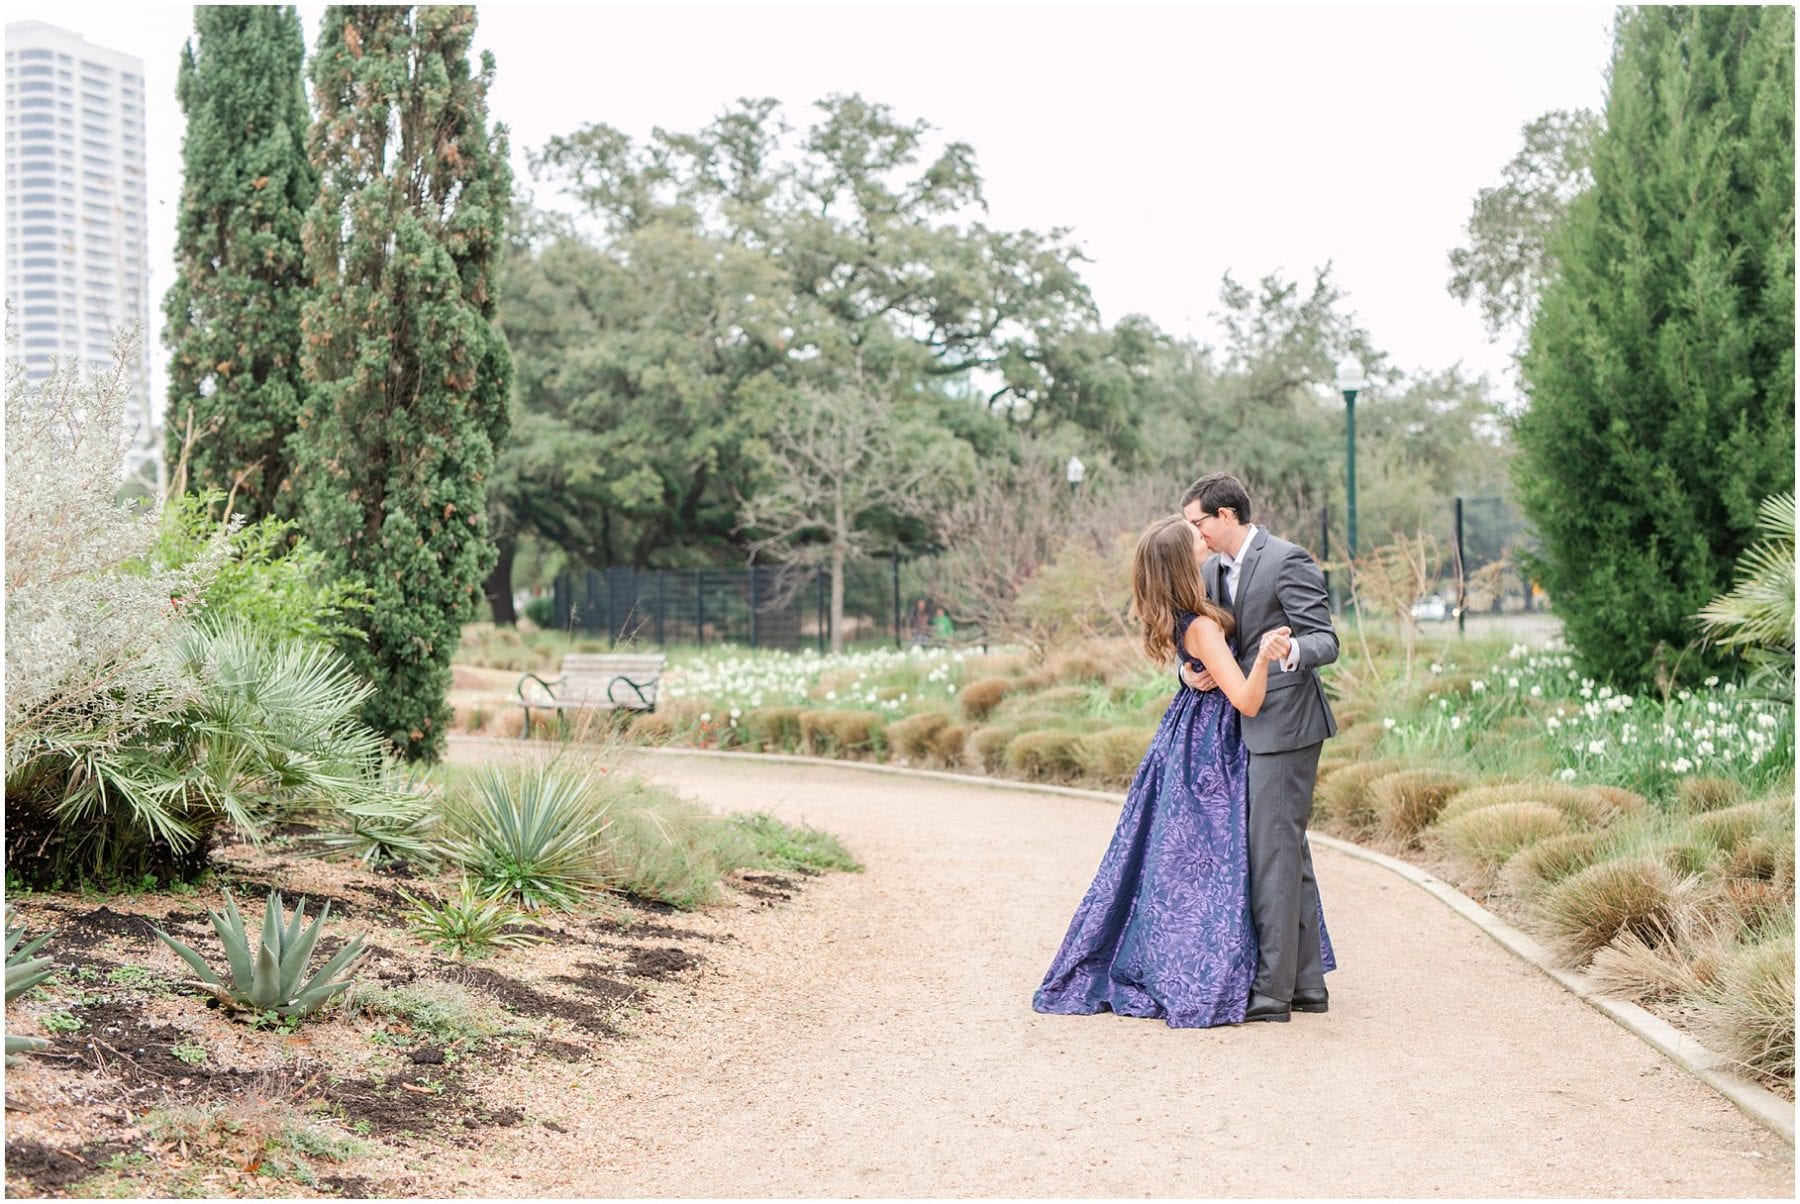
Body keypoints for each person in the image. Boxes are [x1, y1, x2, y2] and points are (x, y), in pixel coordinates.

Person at [1032, 514, 1324, 1028]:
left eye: (1199, 525)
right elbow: (1247, 698)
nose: (1201, 536)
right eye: (1193, 535)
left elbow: (1200, 645)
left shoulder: (1195, 605)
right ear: (1183, 561)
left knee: (1249, 852)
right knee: (1223, 860)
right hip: (1219, 742)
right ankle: (1234, 977)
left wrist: (1194, 668)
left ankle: (1301, 982)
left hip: (1199, 735)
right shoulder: (1204, 618)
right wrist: (1261, 660)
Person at [1180, 472, 1339, 1022]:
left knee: (1273, 851)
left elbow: (1326, 640)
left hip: (1287, 724)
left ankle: (1271, 994)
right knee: (1285, 851)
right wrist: (1187, 669)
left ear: (1225, 516)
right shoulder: (1206, 572)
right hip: (1237, 724)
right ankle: (1306, 983)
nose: (1192, 532)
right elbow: (1207, 643)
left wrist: (1288, 648)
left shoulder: (1286, 560)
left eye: (1197, 521)